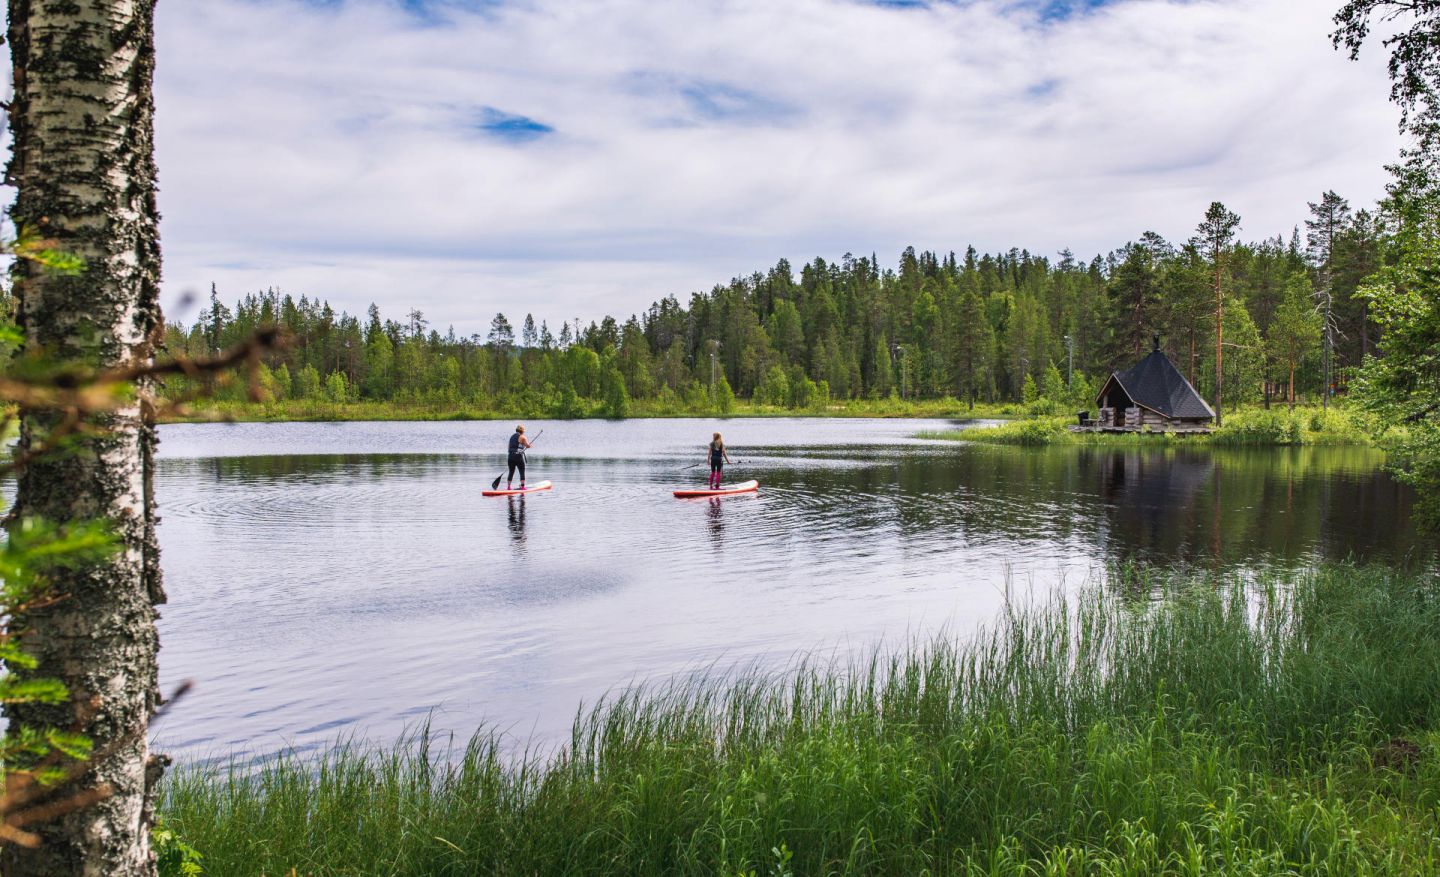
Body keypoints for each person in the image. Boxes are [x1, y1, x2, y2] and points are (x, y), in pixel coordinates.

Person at [507, 424, 532, 490]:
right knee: (522, 471)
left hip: (510, 456)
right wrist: (529, 446)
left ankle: (509, 487)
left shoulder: (511, 437)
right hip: (518, 457)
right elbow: (527, 445)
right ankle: (522, 486)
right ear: (522, 431)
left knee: (511, 472)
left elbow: (509, 447)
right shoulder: (522, 437)